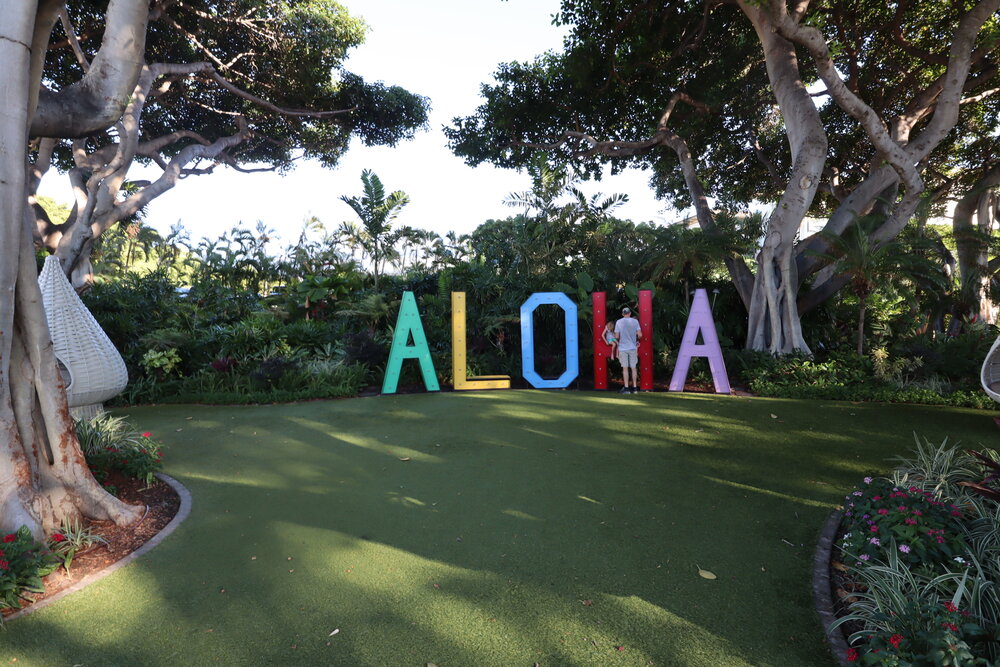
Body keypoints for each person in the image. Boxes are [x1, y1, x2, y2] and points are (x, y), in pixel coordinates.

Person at [614, 306, 642, 393]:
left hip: (623, 347)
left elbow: (617, 336)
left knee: (625, 368)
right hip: (633, 347)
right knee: (633, 368)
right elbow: (640, 334)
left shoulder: (619, 322)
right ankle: (634, 388)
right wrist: (636, 339)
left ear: (623, 314)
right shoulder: (635, 321)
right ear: (630, 313)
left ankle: (626, 388)